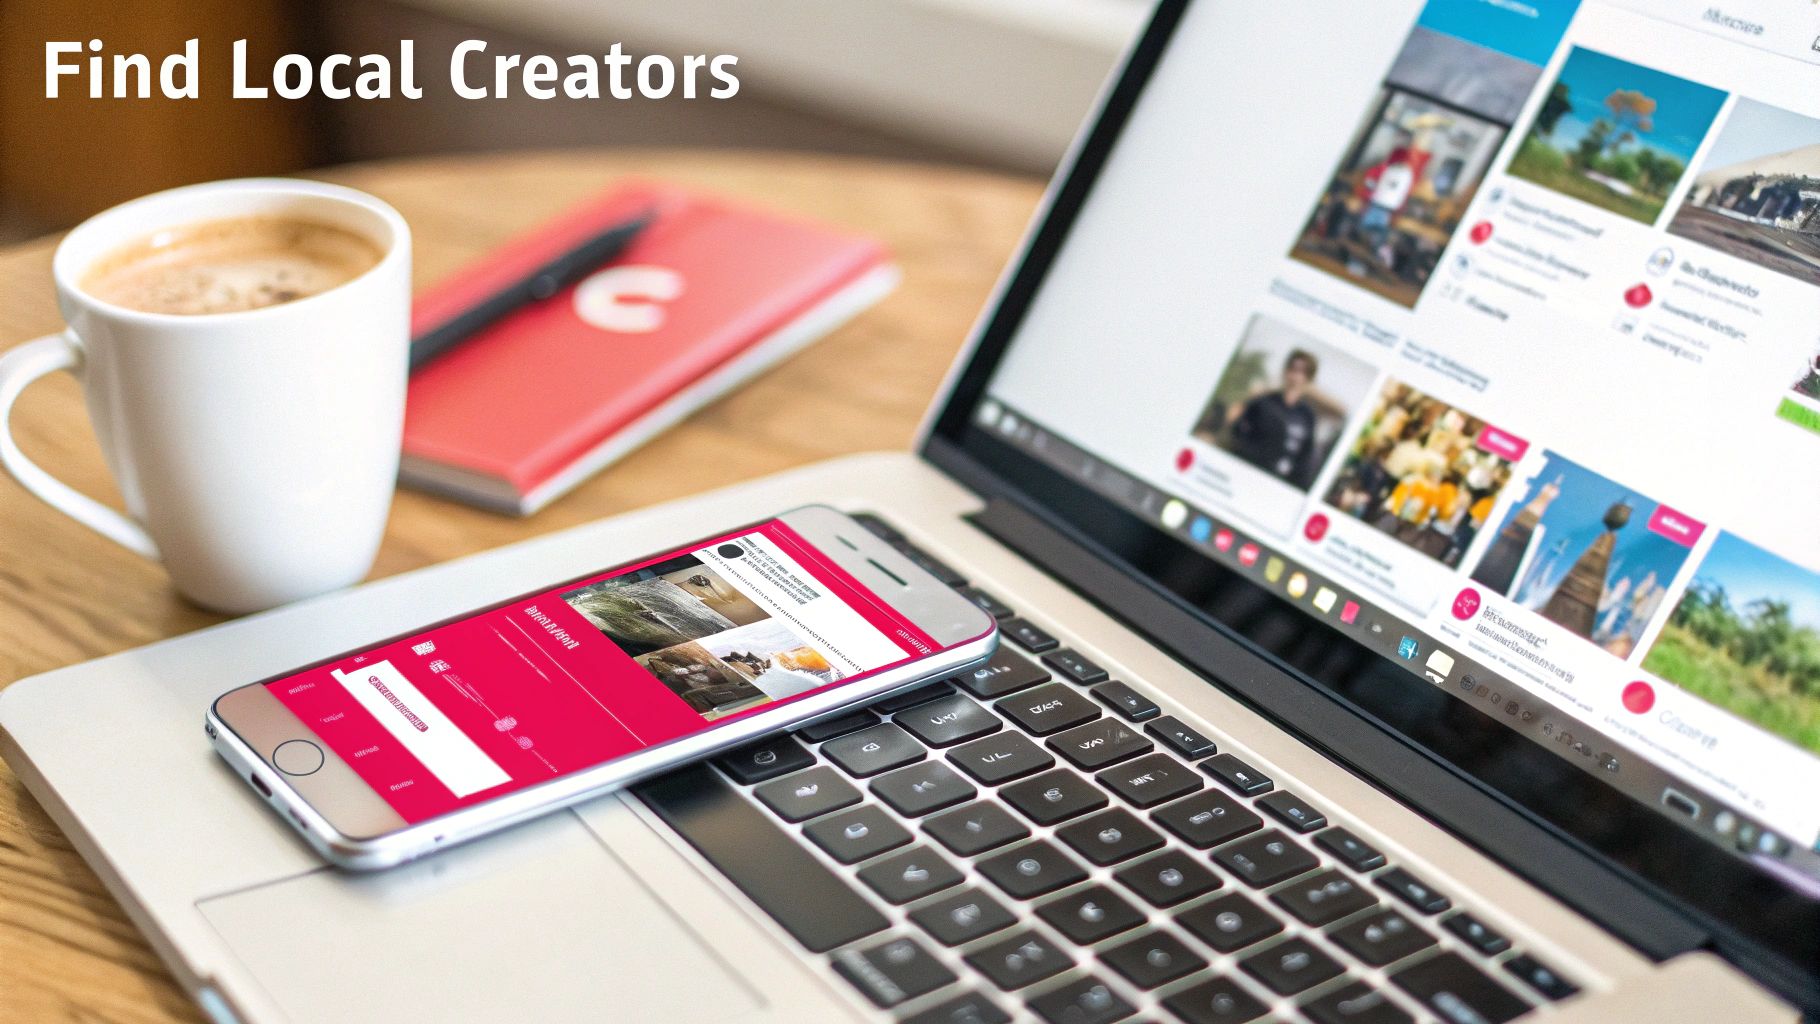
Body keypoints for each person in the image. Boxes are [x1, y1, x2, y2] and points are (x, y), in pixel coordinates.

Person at [1225, 349, 1323, 489]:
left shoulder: (1307, 416)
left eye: (1302, 372)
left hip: (1280, 483)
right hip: (1250, 473)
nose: (1295, 376)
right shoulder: (1264, 402)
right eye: (1293, 369)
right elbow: (1237, 430)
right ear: (1286, 371)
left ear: (1309, 378)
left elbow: (1304, 458)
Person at [1359, 147, 1416, 267]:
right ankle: (1373, 251)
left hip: (1383, 203)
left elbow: (1402, 191)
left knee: (1373, 228)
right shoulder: (1401, 172)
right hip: (1383, 203)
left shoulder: (1398, 171)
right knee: (1370, 227)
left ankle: (1375, 252)